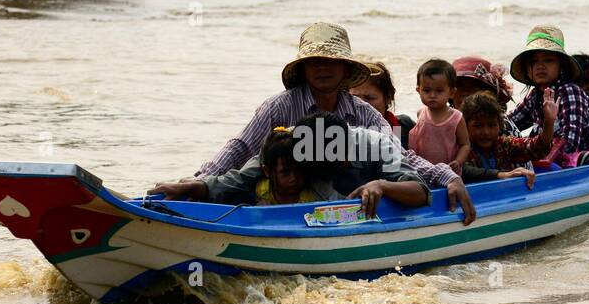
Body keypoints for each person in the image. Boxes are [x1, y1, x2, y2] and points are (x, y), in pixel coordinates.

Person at [183, 21, 476, 224]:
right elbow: (242, 150)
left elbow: (398, 156)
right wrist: (197, 182)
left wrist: (445, 176)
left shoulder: (365, 116)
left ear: (344, 68)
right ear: (304, 68)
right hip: (281, 199)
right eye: (315, 61)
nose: (323, 67)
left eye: (331, 61)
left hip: (340, 202)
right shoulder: (280, 107)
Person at [150, 112, 429, 218]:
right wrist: (193, 186)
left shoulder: (378, 143)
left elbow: (420, 192)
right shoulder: (290, 142)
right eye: (314, 168)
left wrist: (381, 185)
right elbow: (236, 179)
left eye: (333, 164)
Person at [506, 24, 589, 163]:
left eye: (548, 60)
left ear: (561, 66)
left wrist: (531, 152)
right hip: (550, 158)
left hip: (582, 162)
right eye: (533, 62)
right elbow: (509, 124)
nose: (540, 66)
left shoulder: (570, 92)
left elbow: (569, 143)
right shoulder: (534, 95)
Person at [460, 90, 557, 186]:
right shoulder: (460, 149)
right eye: (478, 126)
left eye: (491, 125)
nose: (486, 132)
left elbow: (536, 147)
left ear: (500, 125)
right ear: (465, 126)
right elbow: (463, 171)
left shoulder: (504, 145)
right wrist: (503, 175)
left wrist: (549, 121)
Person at [409, 59, 471, 171]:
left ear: (451, 93)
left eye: (439, 91)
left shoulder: (456, 118)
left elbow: (465, 145)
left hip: (448, 171)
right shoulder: (420, 113)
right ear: (419, 91)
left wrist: (458, 161)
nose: (432, 95)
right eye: (427, 90)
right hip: (423, 170)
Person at [350, 61, 415, 147]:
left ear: (388, 97)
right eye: (354, 98)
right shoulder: (341, 130)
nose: (360, 104)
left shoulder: (402, 127)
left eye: (369, 98)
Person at [453, 56, 518, 134]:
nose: (466, 92)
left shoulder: (502, 124)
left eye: (474, 87)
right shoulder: (442, 121)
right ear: (450, 92)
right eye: (460, 85)